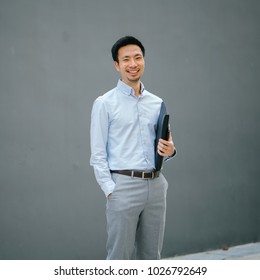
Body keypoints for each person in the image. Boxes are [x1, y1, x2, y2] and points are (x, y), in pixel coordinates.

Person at [90, 36, 176, 260]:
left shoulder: (157, 103)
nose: (133, 63)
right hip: (123, 187)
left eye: (137, 57)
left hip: (156, 186)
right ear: (117, 66)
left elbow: (164, 144)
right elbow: (97, 155)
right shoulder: (104, 103)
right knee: (119, 258)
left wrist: (170, 151)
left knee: (151, 257)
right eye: (126, 59)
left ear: (144, 60)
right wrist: (111, 190)